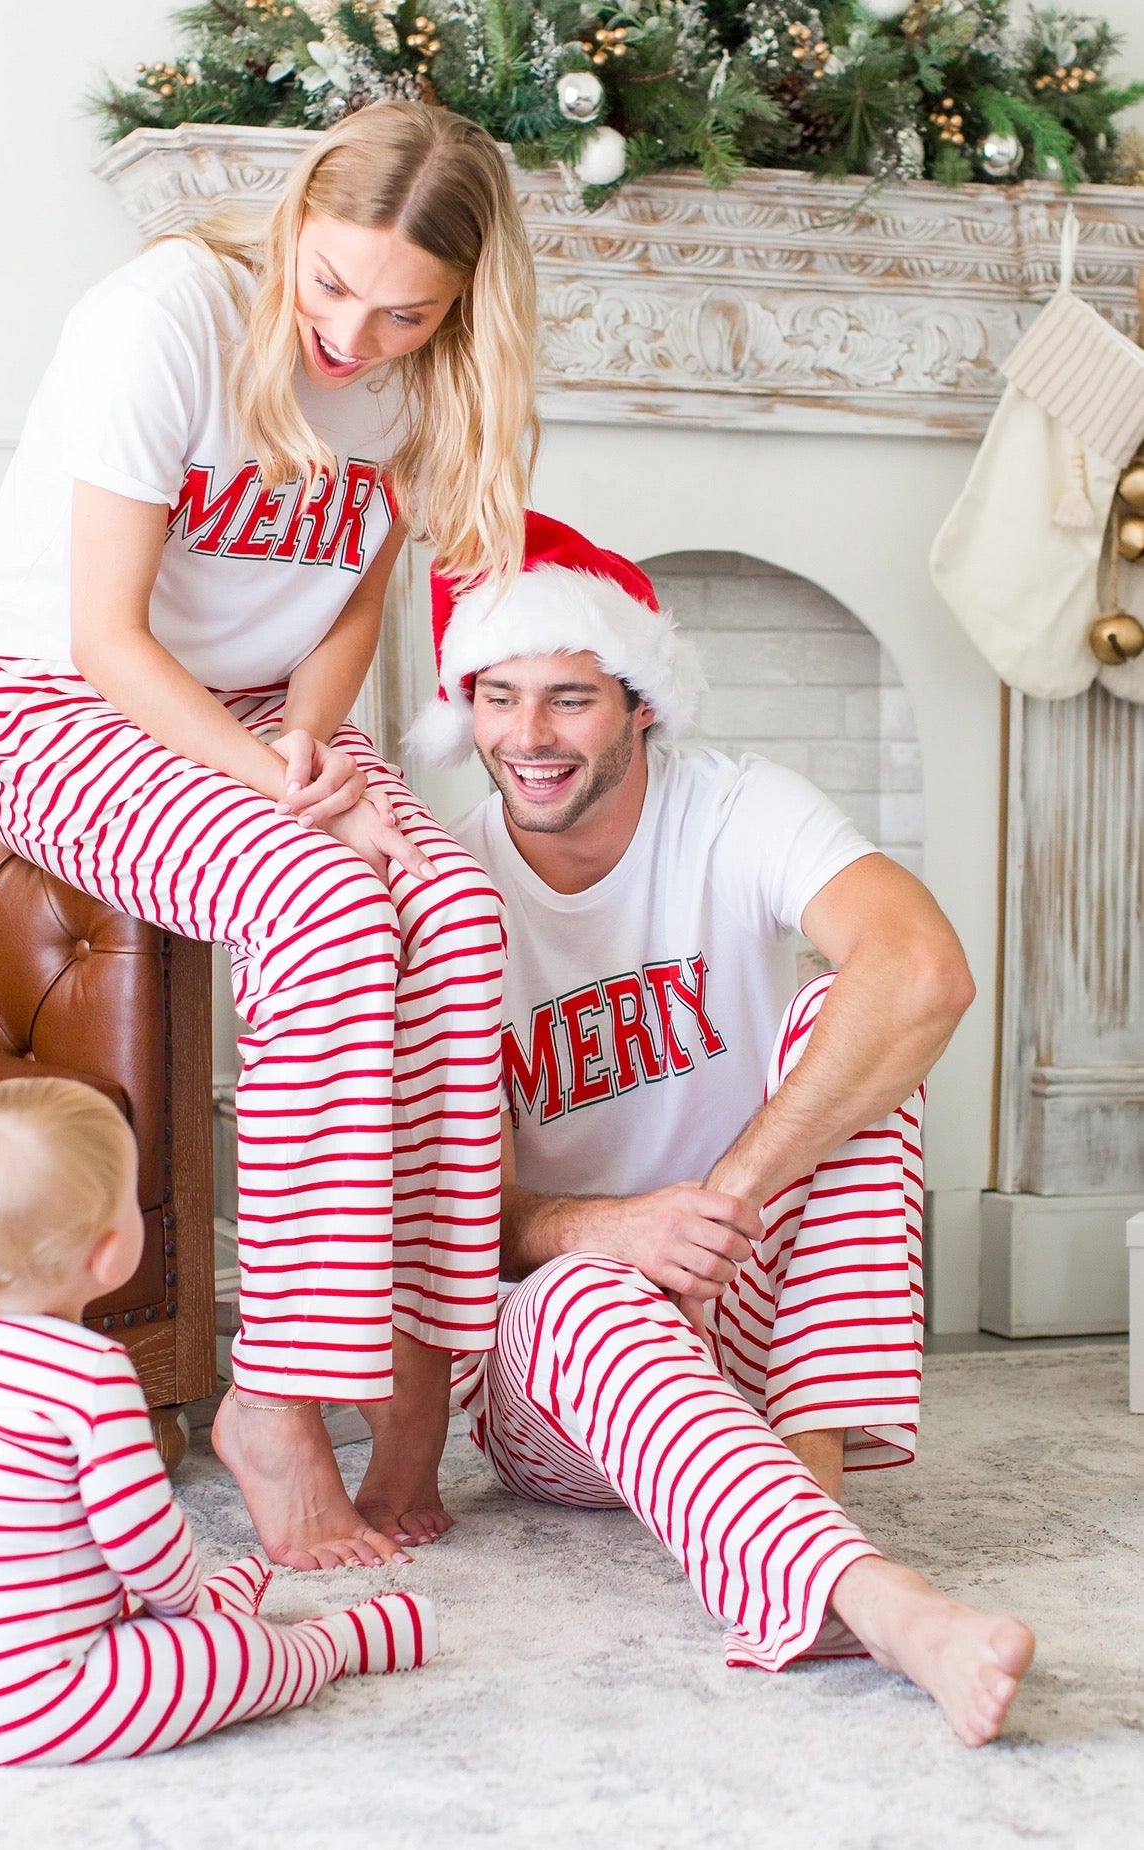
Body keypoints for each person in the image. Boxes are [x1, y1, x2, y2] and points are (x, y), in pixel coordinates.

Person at [0, 101, 538, 1571]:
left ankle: (418, 1379)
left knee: (454, 915)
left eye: (406, 311)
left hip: (269, 715)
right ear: (290, 228)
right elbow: (106, 634)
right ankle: (273, 1399)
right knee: (328, 907)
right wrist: (279, 791)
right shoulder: (162, 320)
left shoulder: (425, 377)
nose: (354, 332)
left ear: (458, 305)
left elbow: (346, 610)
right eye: (328, 283)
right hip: (67, 698)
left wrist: (315, 748)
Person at [407, 512, 1035, 1748]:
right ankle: (871, 1596)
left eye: (569, 698)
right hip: (566, 1375)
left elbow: (924, 972)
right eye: (496, 697)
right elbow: (456, 1218)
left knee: (851, 1027)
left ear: (638, 700)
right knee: (588, 1291)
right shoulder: (442, 880)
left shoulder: (735, 806)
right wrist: (615, 1231)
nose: (525, 739)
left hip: (745, 1298)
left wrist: (719, 1204)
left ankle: (795, 1503)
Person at [0, 1079, 436, 1766]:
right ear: (108, 1254)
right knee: (225, 1660)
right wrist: (187, 1608)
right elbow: (141, 1541)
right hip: (39, 1703)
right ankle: (333, 1645)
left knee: (138, 1613)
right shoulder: (89, 1374)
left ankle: (225, 1598)